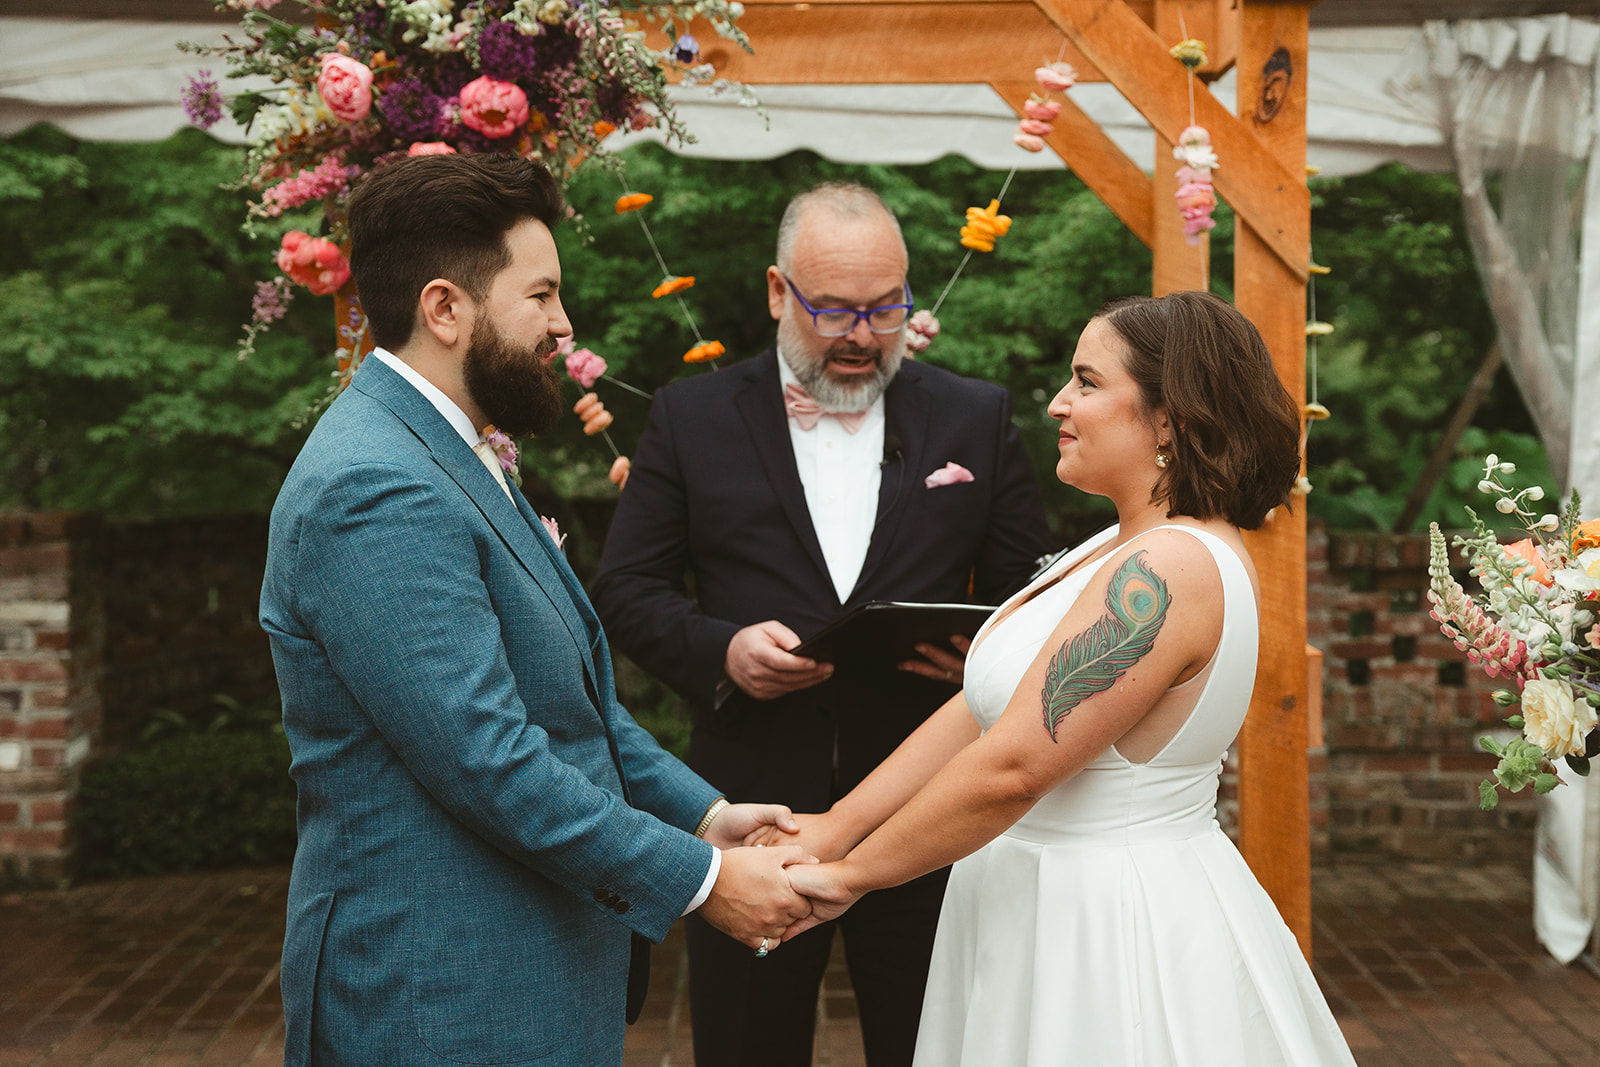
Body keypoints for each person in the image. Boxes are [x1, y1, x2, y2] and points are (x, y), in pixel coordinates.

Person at [258, 153, 815, 1067]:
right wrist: (702, 880)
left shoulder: (455, 445)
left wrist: (705, 813)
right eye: (542, 295)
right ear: (446, 308)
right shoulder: (374, 483)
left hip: (525, 972)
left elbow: (570, 705)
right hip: (440, 992)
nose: (565, 324)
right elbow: (488, 756)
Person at [762, 291, 1359, 1065]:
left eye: (1086, 381)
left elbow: (1014, 766)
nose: (1057, 403)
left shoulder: (1167, 568)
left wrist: (848, 877)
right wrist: (833, 826)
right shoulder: (1117, 544)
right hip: (1029, 895)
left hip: (1105, 920)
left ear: (1170, 416)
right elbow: (984, 714)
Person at [591, 182, 1052, 1067]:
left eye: (886, 309)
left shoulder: (974, 415)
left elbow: (1030, 593)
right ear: (776, 292)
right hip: (753, 810)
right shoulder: (689, 418)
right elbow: (627, 588)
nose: (862, 335)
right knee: (747, 1047)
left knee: (937, 1044)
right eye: (834, 310)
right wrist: (722, 650)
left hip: (930, 810)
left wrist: (979, 655)